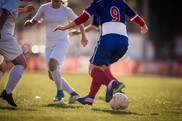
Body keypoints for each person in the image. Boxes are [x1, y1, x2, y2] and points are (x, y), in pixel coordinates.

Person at [54, 0, 148, 105]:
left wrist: (65, 27)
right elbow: (135, 17)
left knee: (92, 69)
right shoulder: (121, 2)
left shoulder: (97, 2)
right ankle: (90, 97)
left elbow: (84, 17)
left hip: (108, 39)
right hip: (124, 43)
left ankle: (110, 83)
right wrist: (144, 26)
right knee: (100, 68)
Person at [24, 0, 88, 104]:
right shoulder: (44, 8)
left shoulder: (66, 10)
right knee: (51, 75)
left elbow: (79, 22)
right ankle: (73, 94)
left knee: (52, 64)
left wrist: (83, 37)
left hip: (62, 42)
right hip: (49, 44)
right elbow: (35, 20)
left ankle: (59, 92)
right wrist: (30, 23)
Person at [0, 0, 34, 107]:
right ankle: (7, 92)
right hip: (4, 37)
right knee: (21, 63)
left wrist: (23, 10)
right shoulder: (14, 0)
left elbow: (6, 9)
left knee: (1, 66)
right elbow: (5, 12)